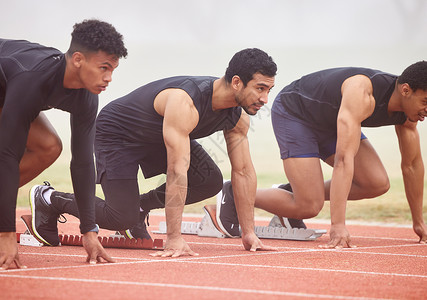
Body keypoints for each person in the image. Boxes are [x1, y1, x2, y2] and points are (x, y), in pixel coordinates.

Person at [30, 48, 278, 257]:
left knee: (209, 181)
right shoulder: (186, 102)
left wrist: (249, 233)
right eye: (260, 88)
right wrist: (174, 237)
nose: (265, 98)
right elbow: (177, 170)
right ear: (236, 82)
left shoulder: (238, 116)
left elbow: (243, 171)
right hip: (119, 135)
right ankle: (48, 198)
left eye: (268, 89)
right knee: (120, 217)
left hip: (158, 138)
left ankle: (139, 208)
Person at [217, 62, 427, 248]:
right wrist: (337, 225)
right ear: (406, 90)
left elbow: (412, 165)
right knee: (309, 206)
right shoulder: (362, 93)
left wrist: (418, 222)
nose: (426, 110)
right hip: (296, 113)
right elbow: (344, 160)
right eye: (425, 101)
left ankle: (291, 192)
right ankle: (233, 191)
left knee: (377, 182)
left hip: (331, 123)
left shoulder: (409, 116)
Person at [0, 19, 128, 270]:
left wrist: (89, 230)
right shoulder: (33, 80)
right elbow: (7, 155)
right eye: (103, 68)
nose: (109, 78)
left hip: (8, 93)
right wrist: (5, 235)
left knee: (49, 146)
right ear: (78, 60)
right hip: (11, 84)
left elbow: (82, 163)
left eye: (112, 69)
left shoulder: (88, 96)